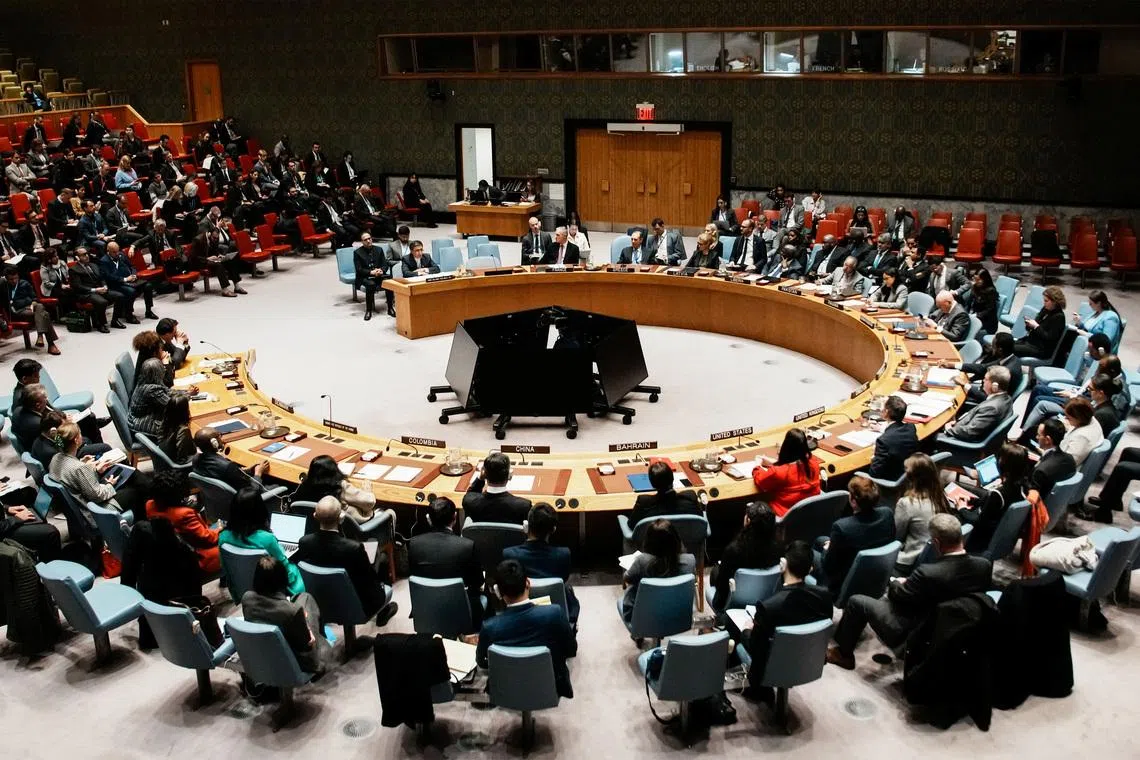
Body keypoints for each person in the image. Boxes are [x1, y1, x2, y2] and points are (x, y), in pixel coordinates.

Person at [827, 514, 992, 670]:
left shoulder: (929, 573)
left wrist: (896, 583)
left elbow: (898, 596)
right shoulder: (983, 565)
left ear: (936, 542)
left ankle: (843, 655)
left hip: (914, 630)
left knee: (857, 601)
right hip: (956, 627)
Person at [740, 540, 832, 697]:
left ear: (782, 564)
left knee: (739, 631)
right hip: (809, 660)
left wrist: (747, 630)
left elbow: (756, 646)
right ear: (810, 569)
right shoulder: (825, 596)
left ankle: (756, 688)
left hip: (773, 665)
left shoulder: (768, 607)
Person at [475, 559, 576, 698]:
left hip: (506, 688)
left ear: (497, 591)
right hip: (551, 687)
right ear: (528, 583)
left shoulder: (489, 627)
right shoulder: (554, 613)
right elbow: (571, 649)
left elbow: (482, 663)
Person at [291, 496, 399, 625]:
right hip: (358, 604)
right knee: (382, 559)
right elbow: (368, 579)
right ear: (341, 517)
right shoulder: (353, 548)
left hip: (322, 601)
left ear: (315, 516)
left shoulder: (304, 542)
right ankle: (384, 611)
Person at [242, 555, 329, 674]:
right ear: (282, 579)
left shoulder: (246, 598)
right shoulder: (292, 611)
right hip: (296, 660)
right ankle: (321, 642)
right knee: (307, 599)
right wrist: (308, 631)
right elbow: (306, 645)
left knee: (302, 597)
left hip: (263, 654)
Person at [48, 420, 149, 522]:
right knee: (135, 491)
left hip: (81, 505)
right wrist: (110, 484)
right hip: (94, 511)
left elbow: (71, 476)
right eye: (80, 434)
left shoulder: (55, 458)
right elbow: (99, 496)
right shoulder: (79, 468)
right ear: (76, 440)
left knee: (132, 479)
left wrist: (93, 469)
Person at [407, 498, 484, 627]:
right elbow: (478, 582)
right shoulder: (467, 546)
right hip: (461, 609)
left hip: (426, 607)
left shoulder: (413, 543)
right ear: (454, 518)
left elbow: (415, 574)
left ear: (428, 519)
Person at [502, 502, 579, 624]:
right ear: (553, 529)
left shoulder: (508, 554)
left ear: (526, 526)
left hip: (520, 610)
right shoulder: (563, 554)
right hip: (555, 610)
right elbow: (563, 579)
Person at [219, 487, 305, 596]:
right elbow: (286, 571)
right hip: (272, 590)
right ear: (259, 510)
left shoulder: (223, 537)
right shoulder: (267, 539)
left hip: (242, 589)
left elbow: (226, 568)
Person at [818, 477, 894, 592]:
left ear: (853, 501)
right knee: (821, 539)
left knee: (813, 551)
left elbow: (829, 566)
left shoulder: (841, 527)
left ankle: (818, 593)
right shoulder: (887, 514)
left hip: (845, 579)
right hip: (876, 570)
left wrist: (826, 550)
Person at [955, 442, 1030, 552]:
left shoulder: (998, 494)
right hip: (996, 534)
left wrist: (961, 508)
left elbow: (978, 521)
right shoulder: (1023, 487)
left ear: (1003, 464)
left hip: (979, 540)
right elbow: (990, 507)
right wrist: (971, 500)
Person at [620, 519, 696, 625]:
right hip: (678, 614)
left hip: (642, 617)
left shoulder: (642, 561)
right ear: (676, 540)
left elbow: (627, 578)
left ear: (648, 541)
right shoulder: (690, 561)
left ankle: (639, 634)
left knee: (632, 585)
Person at [707, 501, 779, 612]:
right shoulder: (779, 546)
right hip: (767, 598)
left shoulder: (733, 551)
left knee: (715, 572)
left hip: (734, 602)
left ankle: (721, 617)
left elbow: (722, 587)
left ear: (747, 521)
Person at [146, 470, 220, 576]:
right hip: (197, 559)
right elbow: (207, 538)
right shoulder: (184, 514)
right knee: (233, 537)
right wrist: (224, 529)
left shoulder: (149, 505)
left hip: (166, 556)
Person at [894, 453, 954, 574]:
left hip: (910, 560)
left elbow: (896, 536)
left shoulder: (906, 503)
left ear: (912, 478)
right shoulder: (941, 497)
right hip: (935, 556)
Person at [752, 429, 821, 516]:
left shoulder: (778, 472)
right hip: (810, 515)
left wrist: (757, 466)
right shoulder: (814, 463)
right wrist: (776, 462)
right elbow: (796, 464)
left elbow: (760, 481)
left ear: (786, 446)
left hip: (785, 518)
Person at [292, 454, 378, 523]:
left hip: (316, 525)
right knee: (385, 510)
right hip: (351, 526)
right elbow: (369, 502)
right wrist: (368, 491)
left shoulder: (305, 484)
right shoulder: (340, 486)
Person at [1, 265, 60, 355]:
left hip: (30, 309)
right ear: (6, 279)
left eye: (16, 278)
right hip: (15, 312)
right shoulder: (3, 287)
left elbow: (35, 298)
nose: (14, 281)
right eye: (11, 279)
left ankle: (43, 337)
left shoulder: (25, 283)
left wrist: (33, 303)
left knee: (40, 307)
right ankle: (49, 343)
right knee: (45, 314)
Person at [943, 365, 1012, 442]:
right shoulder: (1006, 398)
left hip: (960, 439)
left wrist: (949, 429)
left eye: (986, 379)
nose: (983, 381)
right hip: (963, 425)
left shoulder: (991, 408)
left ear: (994, 387)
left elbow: (969, 432)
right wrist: (957, 422)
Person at [462, 451, 532, 524]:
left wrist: (480, 479)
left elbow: (471, 494)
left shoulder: (469, 502)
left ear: (484, 474)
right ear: (509, 475)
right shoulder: (524, 506)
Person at [628, 461, 704, 526]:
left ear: (652, 484)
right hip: (687, 542)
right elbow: (701, 518)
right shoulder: (690, 497)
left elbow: (631, 525)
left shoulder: (643, 503)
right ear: (673, 478)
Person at [71, 246, 126, 332]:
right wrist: (95, 290)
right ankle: (101, 324)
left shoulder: (93, 265)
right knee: (102, 302)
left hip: (99, 289)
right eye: (83, 255)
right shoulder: (73, 270)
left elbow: (101, 278)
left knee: (120, 296)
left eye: (87, 254)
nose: (87, 256)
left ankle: (115, 320)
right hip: (86, 293)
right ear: (77, 257)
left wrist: (104, 286)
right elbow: (78, 286)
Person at [957, 332, 1022, 404]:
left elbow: (990, 399)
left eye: (993, 346)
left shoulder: (1006, 372)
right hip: (985, 390)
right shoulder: (1011, 358)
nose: (991, 347)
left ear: (1000, 349)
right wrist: (955, 366)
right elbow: (983, 368)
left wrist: (965, 385)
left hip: (987, 401)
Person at [100, 242, 157, 322]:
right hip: (116, 284)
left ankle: (148, 311)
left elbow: (132, 266)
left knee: (148, 285)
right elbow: (108, 277)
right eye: (114, 252)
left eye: (117, 251)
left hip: (130, 280)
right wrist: (125, 279)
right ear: (108, 250)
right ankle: (129, 314)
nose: (117, 254)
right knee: (131, 291)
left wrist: (134, 275)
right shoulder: (104, 261)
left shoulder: (121, 255)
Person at [868, 395, 918, 480]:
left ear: (886, 412)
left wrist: (874, 458)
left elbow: (874, 473)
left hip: (890, 479)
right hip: (907, 473)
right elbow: (896, 435)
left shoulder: (883, 441)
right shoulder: (911, 427)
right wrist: (882, 429)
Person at [1014, 285, 1067, 359]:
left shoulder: (1059, 317)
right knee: (1004, 343)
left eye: (1046, 301)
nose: (1044, 303)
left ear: (1055, 302)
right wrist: (1029, 325)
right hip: (1030, 342)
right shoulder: (1045, 309)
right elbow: (1034, 327)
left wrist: (1036, 326)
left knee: (1008, 349)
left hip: (1041, 349)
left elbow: (1049, 338)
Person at [191, 229, 245, 297]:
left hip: (210, 260)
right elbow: (193, 257)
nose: (215, 240)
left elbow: (215, 250)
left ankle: (237, 287)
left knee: (230, 261)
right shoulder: (197, 239)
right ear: (209, 234)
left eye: (217, 238)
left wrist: (219, 255)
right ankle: (225, 290)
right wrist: (207, 258)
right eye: (214, 238)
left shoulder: (215, 238)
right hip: (199, 263)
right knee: (218, 265)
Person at [128, 358, 172, 437]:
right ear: (157, 373)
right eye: (162, 368)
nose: (164, 370)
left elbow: (167, 392)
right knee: (178, 425)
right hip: (144, 424)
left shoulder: (143, 380)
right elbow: (172, 404)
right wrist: (187, 396)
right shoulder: (152, 390)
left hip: (137, 419)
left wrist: (186, 392)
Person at [353, 232, 389, 321]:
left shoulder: (379, 249)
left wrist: (381, 270)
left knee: (389, 282)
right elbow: (359, 269)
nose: (368, 241)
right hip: (364, 276)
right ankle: (368, 310)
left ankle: (390, 307)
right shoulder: (357, 253)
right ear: (362, 242)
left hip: (379, 275)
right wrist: (371, 272)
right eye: (365, 240)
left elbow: (385, 264)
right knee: (370, 284)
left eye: (369, 238)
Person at [1059, 397, 1103, 467]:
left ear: (1078, 418)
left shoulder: (1081, 437)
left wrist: (1047, 452)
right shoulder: (1091, 419)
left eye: (1068, 418)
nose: (1065, 419)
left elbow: (1066, 464)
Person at [159, 390, 195, 464]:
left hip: (169, 458)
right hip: (181, 466)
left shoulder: (165, 423)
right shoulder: (183, 430)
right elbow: (182, 459)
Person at [968, 268, 999, 335]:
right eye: (975, 279)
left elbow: (989, 310)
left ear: (985, 279)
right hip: (975, 316)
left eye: (979, 280)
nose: (976, 282)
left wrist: (976, 315)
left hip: (987, 322)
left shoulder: (991, 291)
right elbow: (969, 303)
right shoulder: (975, 287)